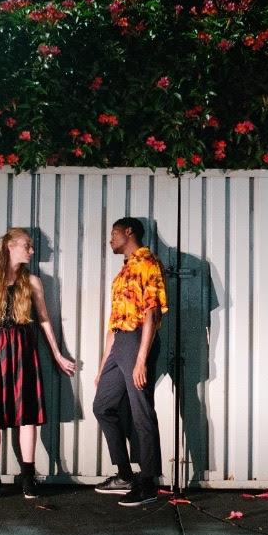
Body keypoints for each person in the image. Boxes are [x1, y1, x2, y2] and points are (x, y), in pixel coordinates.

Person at [0, 227, 76, 500]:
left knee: (27, 414)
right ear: (10, 246)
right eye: (27, 245)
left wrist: (57, 354)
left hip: (22, 348)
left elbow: (43, 321)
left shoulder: (34, 282)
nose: (32, 250)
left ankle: (28, 477)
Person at [93, 217, 169, 507]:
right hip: (121, 343)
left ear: (129, 232)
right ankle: (124, 475)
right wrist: (103, 365)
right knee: (102, 406)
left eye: (113, 233)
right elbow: (115, 322)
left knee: (141, 412)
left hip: (139, 340)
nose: (109, 239)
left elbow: (151, 313)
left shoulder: (148, 263)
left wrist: (141, 359)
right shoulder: (124, 270)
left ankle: (148, 483)